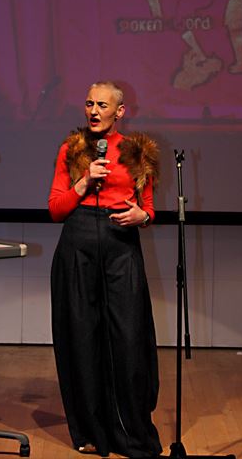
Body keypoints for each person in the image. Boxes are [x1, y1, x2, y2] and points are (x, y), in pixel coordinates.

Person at [48, 81, 162, 458]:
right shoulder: (72, 149)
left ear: (119, 111)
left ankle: (129, 432)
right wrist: (84, 181)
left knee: (128, 337)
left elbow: (149, 208)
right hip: (78, 245)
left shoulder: (136, 151)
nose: (94, 111)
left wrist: (143, 216)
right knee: (82, 338)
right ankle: (91, 429)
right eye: (89, 104)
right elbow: (55, 210)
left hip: (121, 246)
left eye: (102, 105)